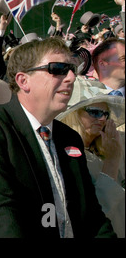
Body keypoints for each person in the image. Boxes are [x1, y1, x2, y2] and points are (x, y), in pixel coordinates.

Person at [0, 37, 116, 238]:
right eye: (58, 69)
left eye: (72, 69)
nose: (71, 77)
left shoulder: (70, 137)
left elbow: (91, 217)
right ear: (23, 81)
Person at [57, 77, 125, 237]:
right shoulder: (64, 155)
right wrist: (112, 163)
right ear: (73, 114)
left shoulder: (110, 146)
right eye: (94, 112)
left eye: (106, 114)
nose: (102, 119)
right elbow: (94, 211)